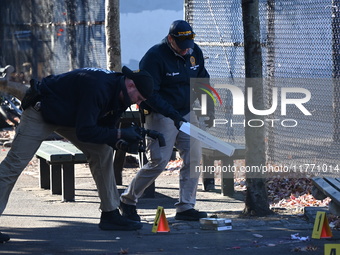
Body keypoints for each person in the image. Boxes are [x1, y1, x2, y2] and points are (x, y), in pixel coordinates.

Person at [0, 66, 154, 243]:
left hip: (72, 116)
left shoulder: (121, 94)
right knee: (14, 164)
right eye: (139, 98)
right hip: (42, 111)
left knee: (102, 151)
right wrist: (120, 134)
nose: (139, 103)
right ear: (131, 85)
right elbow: (86, 132)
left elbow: (105, 128)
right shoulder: (99, 86)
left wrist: (122, 142)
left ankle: (110, 214)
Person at [120, 20, 214, 221]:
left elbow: (202, 80)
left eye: (189, 45)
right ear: (171, 39)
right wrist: (173, 116)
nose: (186, 51)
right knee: (159, 161)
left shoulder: (193, 50)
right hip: (160, 113)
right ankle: (128, 200)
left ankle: (186, 207)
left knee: (194, 159)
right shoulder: (154, 57)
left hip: (187, 112)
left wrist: (208, 108)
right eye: (182, 46)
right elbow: (150, 94)